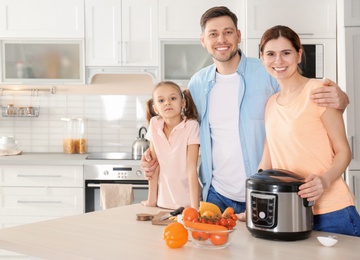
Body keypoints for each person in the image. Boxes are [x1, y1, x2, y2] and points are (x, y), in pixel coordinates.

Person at [141, 6, 349, 215]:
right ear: (203, 40)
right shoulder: (197, 83)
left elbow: (302, 98)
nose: (221, 39)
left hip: (265, 191)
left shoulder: (269, 71)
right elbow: (178, 125)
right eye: (213, 34)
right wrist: (152, 155)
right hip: (216, 194)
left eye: (228, 32)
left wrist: (342, 99)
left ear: (238, 36)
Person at [257, 25, 360, 236]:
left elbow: (343, 151)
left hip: (333, 212)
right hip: (290, 211)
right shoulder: (270, 104)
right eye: (271, 54)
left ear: (299, 54)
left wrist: (323, 181)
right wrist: (253, 200)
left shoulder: (318, 91)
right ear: (262, 58)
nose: (278, 61)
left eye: (286, 53)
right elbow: (267, 163)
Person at [141, 81, 200, 210]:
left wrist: (195, 208)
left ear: (183, 103)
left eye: (173, 98)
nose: (167, 103)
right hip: (163, 203)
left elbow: (191, 168)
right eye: (161, 101)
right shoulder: (154, 124)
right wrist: (151, 200)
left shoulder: (191, 126)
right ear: (155, 108)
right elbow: (153, 165)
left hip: (188, 203)